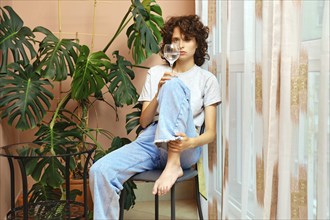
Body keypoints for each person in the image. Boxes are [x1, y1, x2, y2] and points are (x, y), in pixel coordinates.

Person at [89, 14, 221, 219]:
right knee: (100, 171)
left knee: (175, 84)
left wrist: (190, 142)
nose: (181, 45)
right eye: (176, 40)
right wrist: (159, 92)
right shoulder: (156, 72)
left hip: (184, 142)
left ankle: (173, 163)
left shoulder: (207, 79)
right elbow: (144, 122)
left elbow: (210, 133)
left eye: (187, 39)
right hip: (151, 140)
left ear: (198, 44)